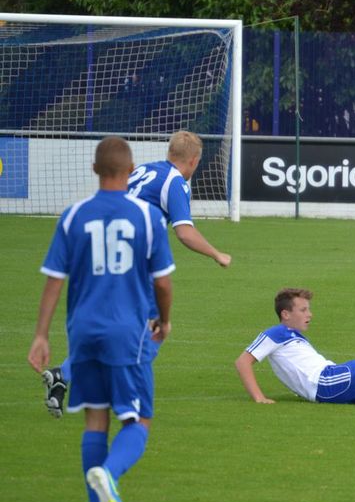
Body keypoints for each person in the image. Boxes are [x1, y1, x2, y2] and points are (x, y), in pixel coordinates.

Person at [28, 136, 175, 502]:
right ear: (131, 171)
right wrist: (164, 320)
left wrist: (41, 335)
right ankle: (109, 474)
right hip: (128, 333)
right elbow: (162, 282)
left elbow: (54, 280)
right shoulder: (147, 216)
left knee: (95, 420)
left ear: (94, 169)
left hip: (83, 333)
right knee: (138, 421)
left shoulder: (73, 216)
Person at [40, 130, 232, 419]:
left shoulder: (144, 169)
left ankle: (64, 374)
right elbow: (184, 232)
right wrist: (217, 254)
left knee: (114, 326)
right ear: (194, 161)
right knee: (153, 328)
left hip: (105, 254)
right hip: (136, 263)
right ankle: (122, 386)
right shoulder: (175, 182)